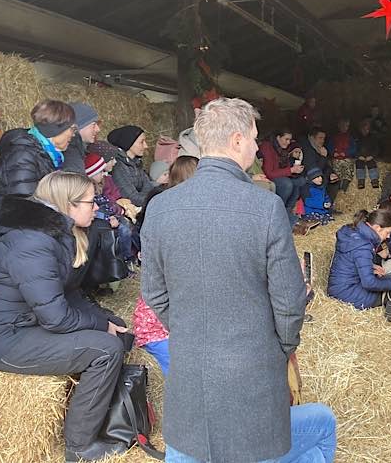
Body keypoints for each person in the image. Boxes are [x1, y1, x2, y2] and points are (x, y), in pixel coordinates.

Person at [140, 97, 336, 463]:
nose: (255, 147)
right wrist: (282, 346)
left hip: (191, 370)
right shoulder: (265, 207)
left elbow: (153, 291)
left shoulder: (161, 207)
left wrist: (187, 328)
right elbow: (290, 299)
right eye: (253, 138)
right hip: (253, 369)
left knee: (194, 447)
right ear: (236, 140)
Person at [0, 172, 129, 463]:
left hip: (25, 323)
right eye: (91, 202)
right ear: (69, 205)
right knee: (106, 349)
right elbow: (56, 317)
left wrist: (106, 320)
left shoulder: (56, 234)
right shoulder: (32, 244)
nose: (97, 208)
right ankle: (80, 447)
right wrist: (101, 327)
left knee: (118, 333)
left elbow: (67, 294)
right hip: (0, 339)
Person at [133, 155, 199, 377]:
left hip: (171, 321)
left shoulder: (165, 203)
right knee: (187, 375)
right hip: (158, 329)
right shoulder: (171, 211)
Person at [0, 99, 77, 248]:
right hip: (8, 234)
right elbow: (24, 205)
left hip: (26, 228)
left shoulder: (44, 154)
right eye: (71, 129)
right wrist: (66, 221)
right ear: (56, 129)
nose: (73, 134)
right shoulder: (22, 156)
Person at [327, 208, 391, 310]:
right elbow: (369, 283)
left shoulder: (353, 232)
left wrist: (370, 266)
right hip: (348, 293)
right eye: (387, 232)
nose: (389, 236)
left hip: (340, 287)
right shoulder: (363, 246)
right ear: (377, 228)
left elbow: (349, 260)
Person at [84, 153, 134, 264]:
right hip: (100, 220)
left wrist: (117, 212)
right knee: (124, 231)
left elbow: (106, 203)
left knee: (127, 225)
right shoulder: (89, 190)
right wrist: (108, 218)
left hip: (109, 216)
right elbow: (97, 208)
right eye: (100, 172)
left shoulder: (100, 185)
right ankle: (124, 259)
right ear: (92, 174)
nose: (103, 174)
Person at [107, 125, 165, 207]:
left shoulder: (136, 163)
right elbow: (132, 198)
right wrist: (159, 198)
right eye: (142, 142)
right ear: (129, 143)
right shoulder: (118, 167)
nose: (146, 146)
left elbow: (147, 187)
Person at [260, 130, 307, 227]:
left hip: (280, 175)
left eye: (290, 140)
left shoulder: (282, 148)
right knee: (287, 184)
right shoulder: (268, 147)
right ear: (278, 138)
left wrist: (294, 167)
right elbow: (269, 172)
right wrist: (291, 170)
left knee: (300, 181)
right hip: (266, 177)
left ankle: (287, 214)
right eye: (286, 139)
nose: (288, 142)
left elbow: (285, 166)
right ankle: (280, 214)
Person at [299, 127, 340, 207]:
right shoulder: (307, 149)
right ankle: (320, 206)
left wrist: (331, 173)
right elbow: (314, 170)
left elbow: (326, 166)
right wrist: (323, 157)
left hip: (318, 173)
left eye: (323, 138)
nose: (322, 141)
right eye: (320, 138)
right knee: (322, 181)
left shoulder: (319, 148)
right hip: (308, 176)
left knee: (334, 181)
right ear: (312, 138)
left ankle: (328, 205)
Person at [61, 103, 100, 173]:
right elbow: (76, 183)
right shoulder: (71, 153)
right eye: (93, 125)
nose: (98, 129)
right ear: (78, 126)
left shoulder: (76, 149)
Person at [328, 118, 356, 192]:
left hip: (346, 158)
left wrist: (346, 153)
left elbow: (354, 148)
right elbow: (329, 146)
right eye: (342, 126)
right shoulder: (334, 136)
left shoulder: (350, 137)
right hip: (336, 158)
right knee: (336, 170)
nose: (344, 128)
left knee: (348, 171)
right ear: (338, 126)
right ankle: (337, 186)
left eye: (346, 126)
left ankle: (344, 187)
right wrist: (333, 152)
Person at [354, 119, 380, 189]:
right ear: (360, 129)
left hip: (370, 157)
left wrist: (372, 156)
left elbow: (376, 149)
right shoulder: (357, 138)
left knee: (372, 165)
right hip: (360, 157)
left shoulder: (373, 138)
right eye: (363, 129)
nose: (365, 131)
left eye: (367, 129)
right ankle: (361, 180)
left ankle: (374, 180)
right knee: (359, 165)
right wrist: (358, 156)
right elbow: (354, 148)